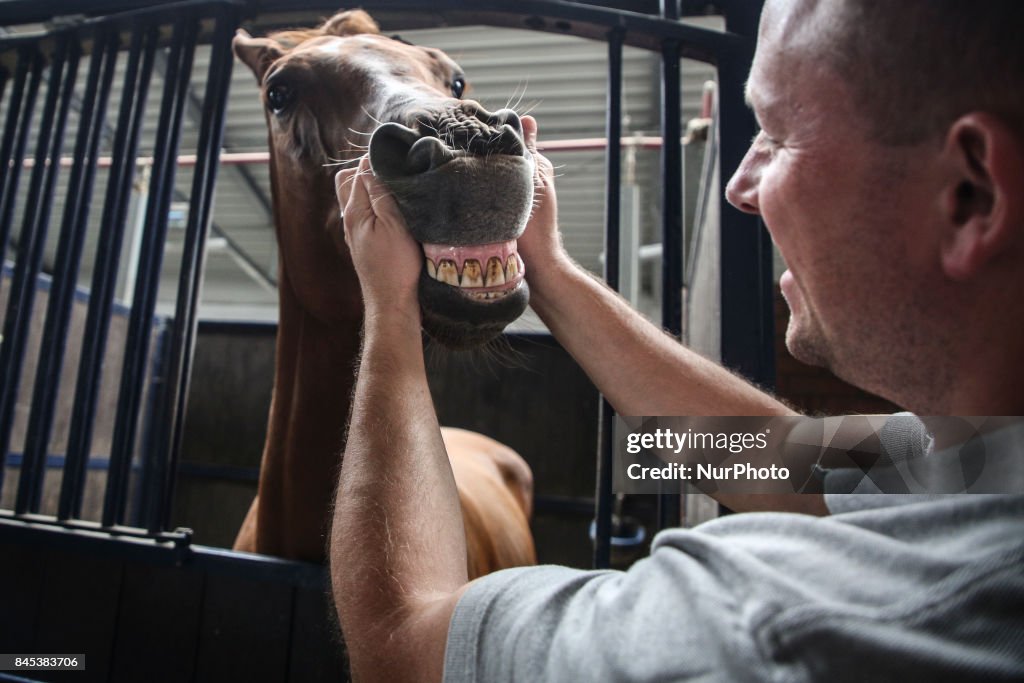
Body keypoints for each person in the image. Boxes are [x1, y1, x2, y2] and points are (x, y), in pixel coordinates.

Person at [329, 0, 1024, 680]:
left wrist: (389, 309)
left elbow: (398, 646)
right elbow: (781, 463)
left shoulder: (776, 626)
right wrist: (552, 273)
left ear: (972, 196)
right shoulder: (981, 464)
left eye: (777, 136)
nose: (740, 188)